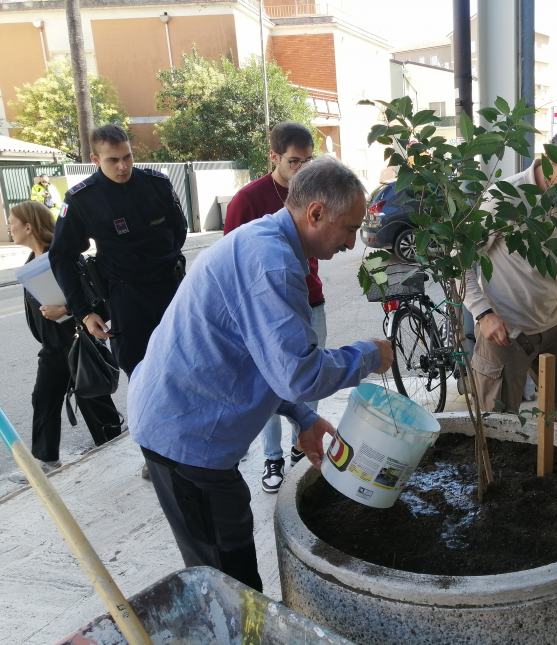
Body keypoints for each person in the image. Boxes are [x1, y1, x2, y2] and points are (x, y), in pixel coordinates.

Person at [127, 157, 394, 591]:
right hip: (185, 438)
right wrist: (369, 355)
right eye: (349, 228)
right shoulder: (271, 263)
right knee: (228, 586)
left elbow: (264, 360)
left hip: (183, 419)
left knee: (226, 568)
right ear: (315, 213)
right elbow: (299, 375)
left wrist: (303, 418)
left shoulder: (270, 243)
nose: (351, 244)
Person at [49, 124, 187, 480]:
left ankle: (190, 444)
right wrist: (84, 311)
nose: (123, 166)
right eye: (113, 161)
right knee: (141, 377)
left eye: (127, 157)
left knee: (187, 368)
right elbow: (61, 256)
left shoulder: (156, 183)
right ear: (95, 159)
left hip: (171, 289)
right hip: (127, 298)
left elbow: (179, 227)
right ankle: (155, 455)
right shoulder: (83, 198)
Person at [463, 126, 557, 420]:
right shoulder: (505, 196)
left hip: (555, 325)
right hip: (505, 330)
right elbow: (460, 262)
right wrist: (483, 314)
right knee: (498, 426)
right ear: (549, 156)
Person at [224, 122, 320, 493]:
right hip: (264, 312)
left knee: (306, 381)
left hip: (311, 298)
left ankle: (302, 449)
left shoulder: (315, 192)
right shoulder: (248, 200)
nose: (302, 169)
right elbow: (233, 259)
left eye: (308, 161)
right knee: (270, 385)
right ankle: (273, 457)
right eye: (295, 161)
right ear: (274, 157)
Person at [7, 201, 122, 483]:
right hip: (52, 347)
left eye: (12, 221)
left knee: (93, 397)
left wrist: (66, 310)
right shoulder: (30, 263)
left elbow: (96, 302)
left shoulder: (63, 257)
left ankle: (116, 449)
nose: (9, 227)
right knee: (43, 399)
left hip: (78, 342)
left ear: (28, 226)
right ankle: (46, 460)